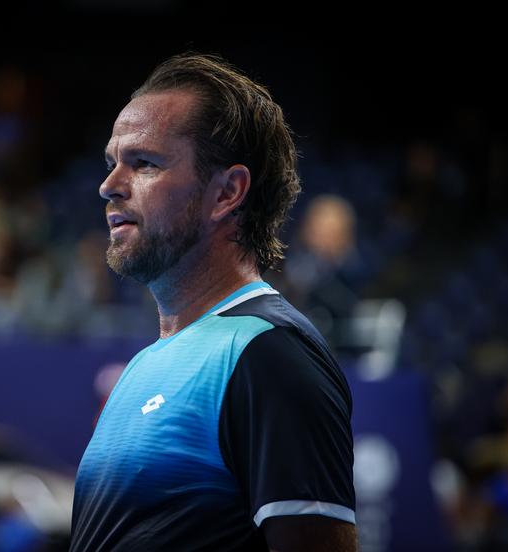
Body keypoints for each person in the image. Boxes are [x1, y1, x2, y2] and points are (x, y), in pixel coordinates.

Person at [70, 53, 357, 551]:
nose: (109, 185)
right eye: (112, 162)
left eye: (144, 163)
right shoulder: (146, 362)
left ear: (227, 192)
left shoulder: (270, 355)